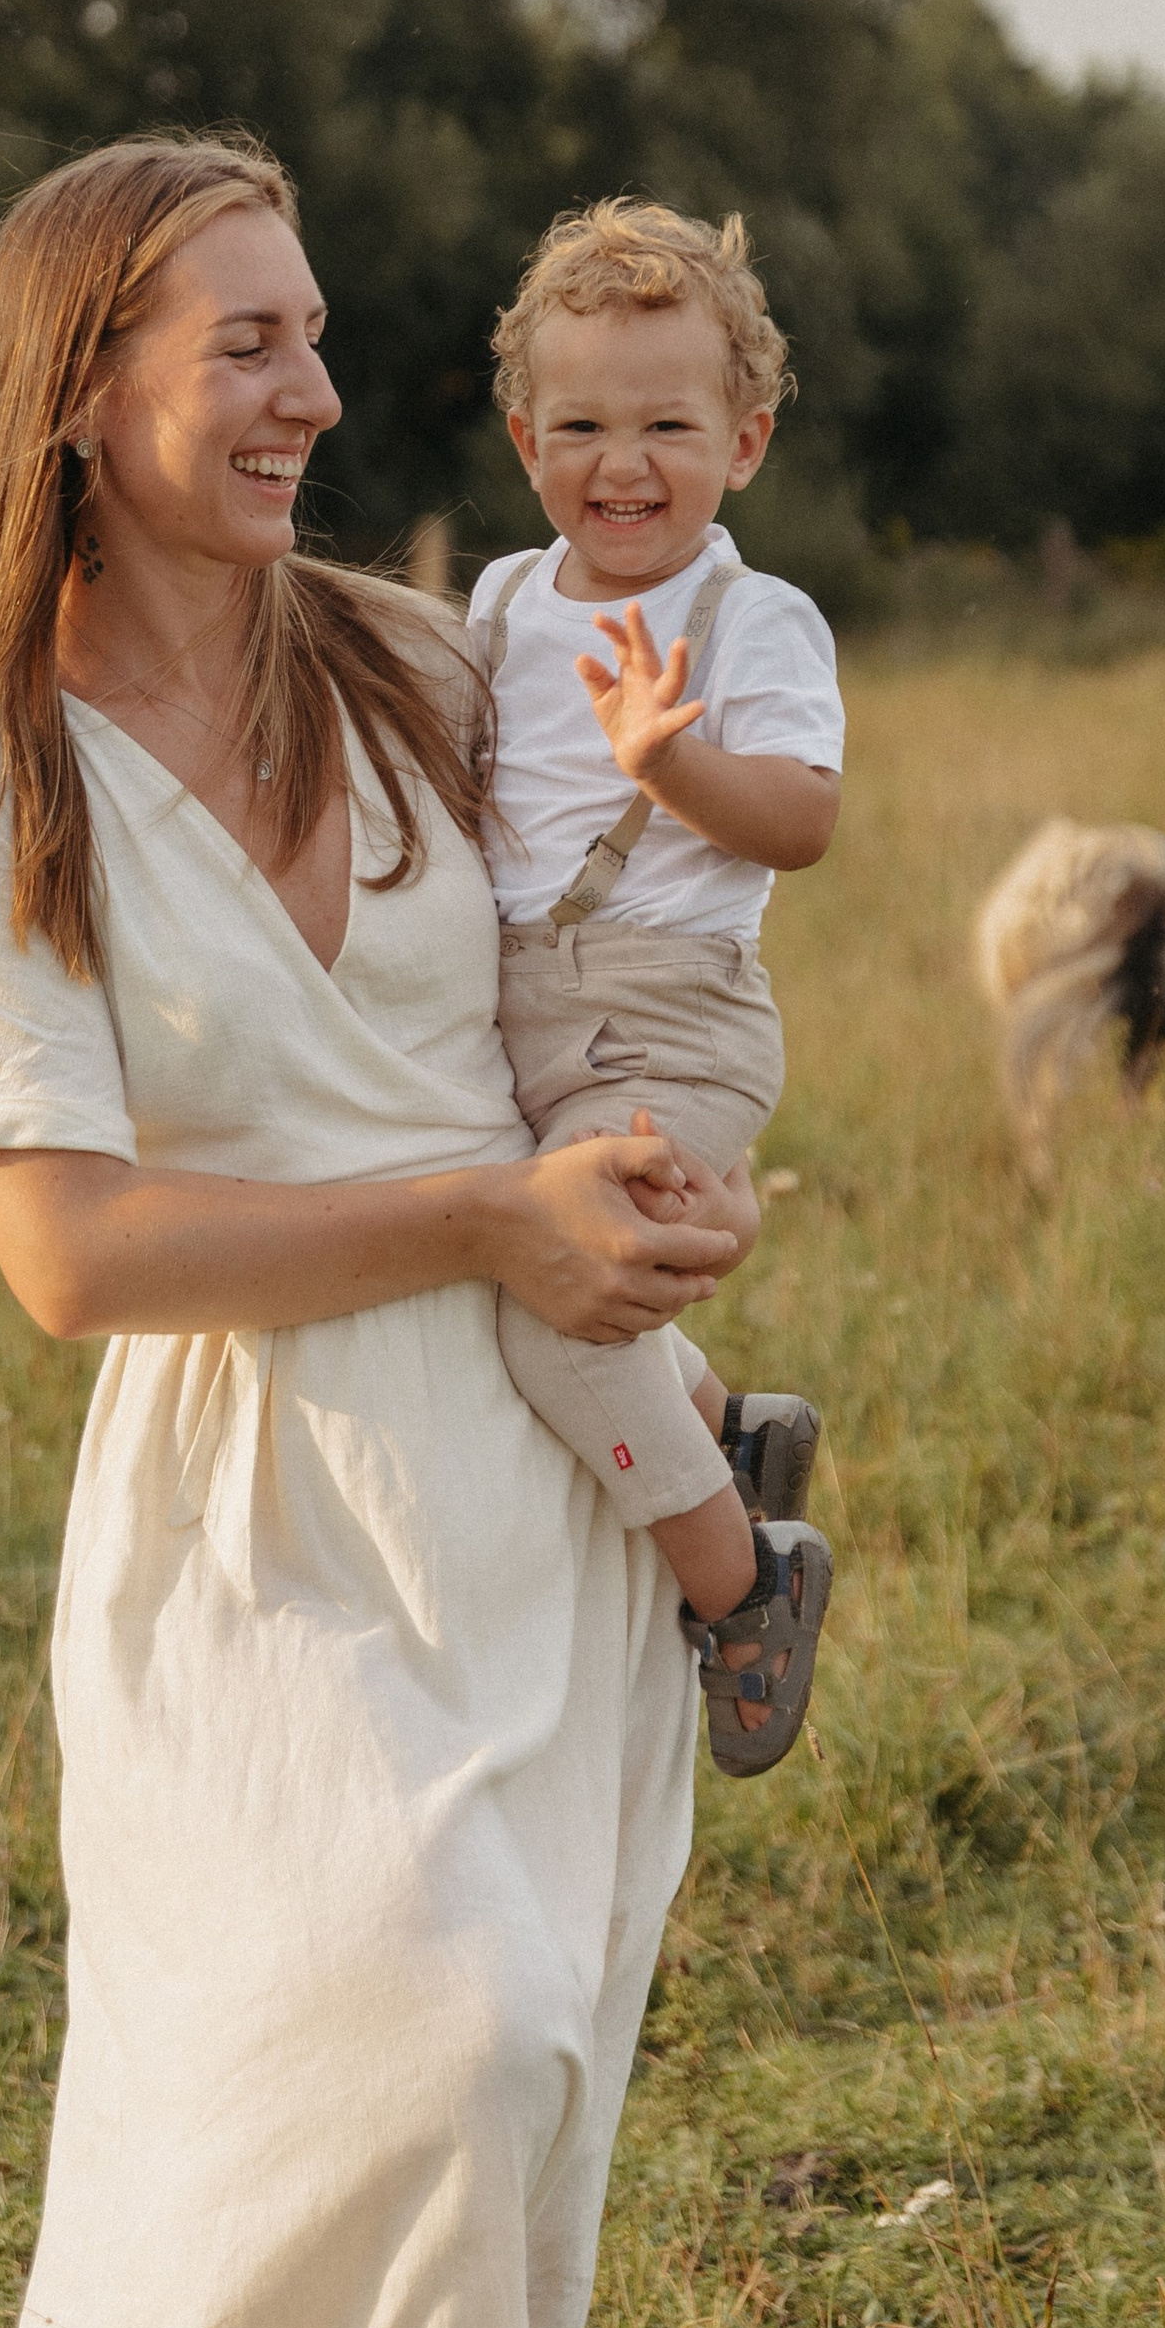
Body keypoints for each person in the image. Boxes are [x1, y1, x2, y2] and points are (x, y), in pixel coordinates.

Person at [0, 135, 762, 2328]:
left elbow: (630, 948)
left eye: (315, 337)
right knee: (356, 2075)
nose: (318, 394)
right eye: (250, 344)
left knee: (501, 2128)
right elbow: (68, 1254)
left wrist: (668, 1177)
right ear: (79, 387)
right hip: (258, 1514)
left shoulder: (418, 656)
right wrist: (474, 1211)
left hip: (528, 1499)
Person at [473, 198, 843, 1772]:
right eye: (583, 424)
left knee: (563, 1306)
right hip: (517, 1003)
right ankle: (722, 1427)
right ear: (523, 434)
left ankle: (741, 1575)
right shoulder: (497, 602)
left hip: (674, 1003)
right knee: (530, 1258)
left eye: (668, 425)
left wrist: (669, 759)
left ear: (744, 441)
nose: (623, 463)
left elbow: (805, 818)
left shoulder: (748, 618)